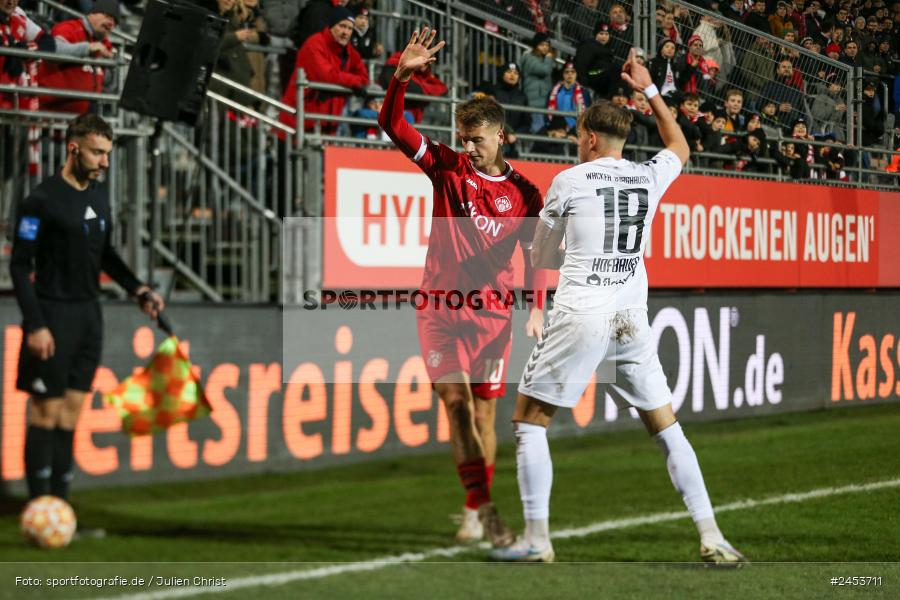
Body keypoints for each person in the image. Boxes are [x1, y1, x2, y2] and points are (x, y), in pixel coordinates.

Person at [490, 49, 746, 565]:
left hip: (583, 311)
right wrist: (650, 90)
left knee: (529, 420)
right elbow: (679, 144)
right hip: (631, 318)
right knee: (666, 427)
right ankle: (712, 534)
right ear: (622, 141)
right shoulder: (648, 176)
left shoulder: (569, 181)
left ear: (588, 138)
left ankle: (538, 539)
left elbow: (541, 256)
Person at [378, 27, 547, 548]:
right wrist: (399, 79)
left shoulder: (524, 193)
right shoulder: (446, 167)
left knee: (482, 413)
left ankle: (475, 507)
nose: (469, 147)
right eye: (464, 137)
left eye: (478, 139)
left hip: (493, 317)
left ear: (501, 137)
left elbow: (537, 256)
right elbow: (393, 125)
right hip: (438, 307)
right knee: (453, 402)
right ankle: (486, 508)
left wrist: (538, 306)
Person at [10, 113, 164, 521]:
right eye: (97, 152)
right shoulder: (39, 202)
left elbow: (106, 254)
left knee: (72, 413)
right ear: (73, 148)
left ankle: (60, 509)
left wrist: (138, 289)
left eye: (108, 154)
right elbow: (18, 266)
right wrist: (36, 324)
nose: (104, 162)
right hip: (52, 314)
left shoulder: (98, 199)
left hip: (88, 316)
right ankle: (37, 509)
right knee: (45, 412)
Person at [279, 5, 368, 133]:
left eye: (350, 28)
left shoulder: (349, 51)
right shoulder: (314, 44)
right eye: (342, 26)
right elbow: (326, 76)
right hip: (299, 124)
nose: (346, 32)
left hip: (328, 124)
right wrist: (353, 82)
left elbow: (364, 78)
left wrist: (354, 82)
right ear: (331, 26)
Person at [37, 0, 117, 114]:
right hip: (53, 112)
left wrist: (110, 64)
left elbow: (106, 82)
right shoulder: (69, 28)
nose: (111, 23)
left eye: (115, 22)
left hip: (85, 112)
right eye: (107, 16)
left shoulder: (105, 43)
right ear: (92, 13)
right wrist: (87, 48)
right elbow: (53, 52)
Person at [520, 31, 556, 133]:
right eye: (542, 45)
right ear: (536, 46)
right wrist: (549, 58)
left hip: (545, 102)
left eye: (547, 45)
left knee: (544, 130)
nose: (545, 47)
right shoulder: (529, 58)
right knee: (537, 129)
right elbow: (544, 70)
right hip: (534, 103)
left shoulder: (544, 60)